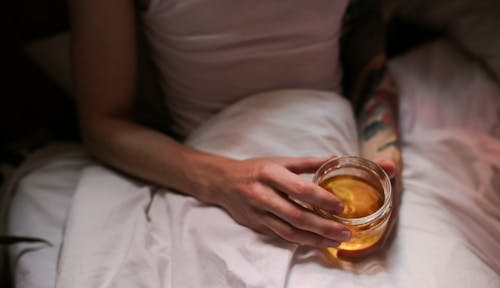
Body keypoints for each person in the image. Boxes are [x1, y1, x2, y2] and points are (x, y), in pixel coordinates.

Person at [69, 0, 402, 256]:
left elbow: (368, 63)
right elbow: (103, 124)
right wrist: (222, 182)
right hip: (209, 160)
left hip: (333, 139)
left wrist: (383, 163)